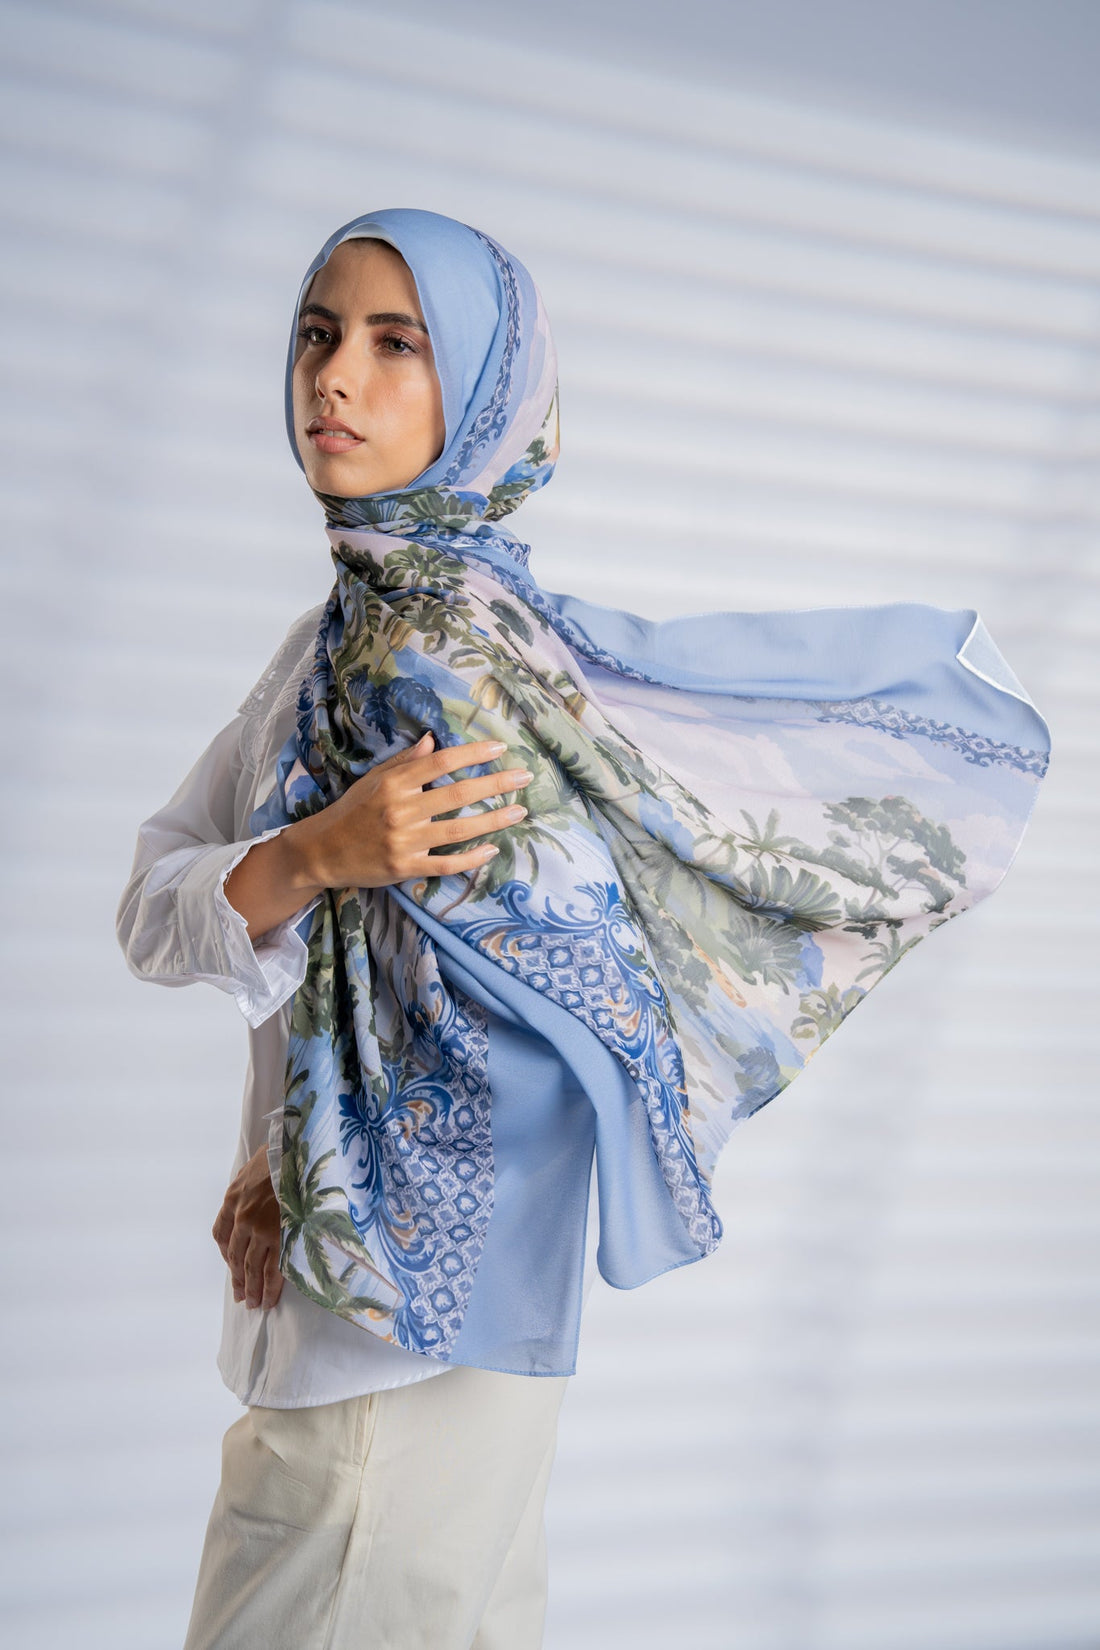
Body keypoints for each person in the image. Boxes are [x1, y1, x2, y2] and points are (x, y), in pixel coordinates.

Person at [116, 207, 1050, 1650]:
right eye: (316, 335)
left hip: (396, 1345)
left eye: (396, 343)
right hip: (387, 1330)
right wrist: (306, 858)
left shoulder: (471, 663)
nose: (335, 378)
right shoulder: (332, 650)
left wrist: (302, 1162)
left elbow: (549, 1006)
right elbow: (154, 906)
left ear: (487, 392)